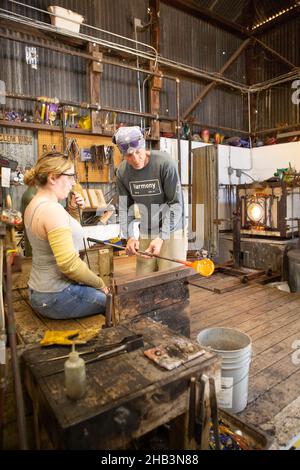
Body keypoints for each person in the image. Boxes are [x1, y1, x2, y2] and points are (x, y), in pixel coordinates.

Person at [23, 152, 108, 319]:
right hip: (56, 295)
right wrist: (100, 283)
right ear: (53, 177)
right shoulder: (52, 210)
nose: (73, 182)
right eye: (70, 176)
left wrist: (74, 211)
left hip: (41, 290)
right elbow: (69, 264)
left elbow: (67, 235)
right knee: (113, 300)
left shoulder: (35, 204)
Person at [113, 126, 187, 275]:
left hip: (171, 230)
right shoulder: (122, 172)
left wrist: (162, 237)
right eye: (128, 156)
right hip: (146, 229)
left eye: (138, 152)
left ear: (144, 146)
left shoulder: (164, 163)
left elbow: (176, 204)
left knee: (170, 278)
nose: (135, 159)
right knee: (143, 279)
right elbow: (124, 208)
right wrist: (130, 236)